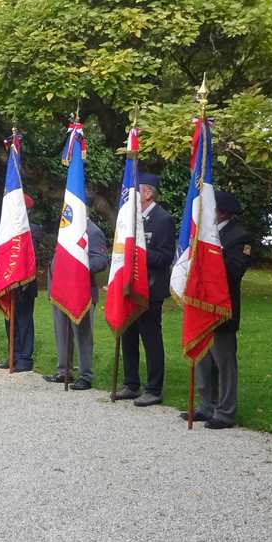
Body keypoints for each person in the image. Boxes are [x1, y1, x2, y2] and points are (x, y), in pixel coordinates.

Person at [183, 190, 253, 428]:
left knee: (224, 363)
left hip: (222, 308)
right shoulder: (203, 233)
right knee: (203, 359)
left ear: (221, 212)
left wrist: (209, 258)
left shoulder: (239, 236)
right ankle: (207, 405)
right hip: (201, 305)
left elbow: (234, 271)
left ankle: (226, 411)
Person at [111, 173, 175, 406]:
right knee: (128, 336)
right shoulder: (131, 219)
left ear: (148, 193)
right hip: (130, 286)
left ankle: (154, 388)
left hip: (150, 288)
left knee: (151, 339)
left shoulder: (163, 219)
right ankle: (131, 384)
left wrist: (138, 254)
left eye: (137, 191)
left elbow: (165, 257)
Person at [45, 216, 110, 389]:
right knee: (61, 333)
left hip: (82, 291)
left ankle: (85, 375)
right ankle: (63, 371)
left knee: (83, 336)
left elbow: (101, 261)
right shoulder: (66, 228)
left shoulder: (93, 231)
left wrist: (79, 267)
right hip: (60, 290)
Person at [0, 193, 42, 372]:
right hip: (8, 282)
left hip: (25, 283)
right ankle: (13, 355)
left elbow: (30, 256)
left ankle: (25, 358)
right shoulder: (6, 229)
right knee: (10, 321)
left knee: (24, 322)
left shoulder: (33, 229)